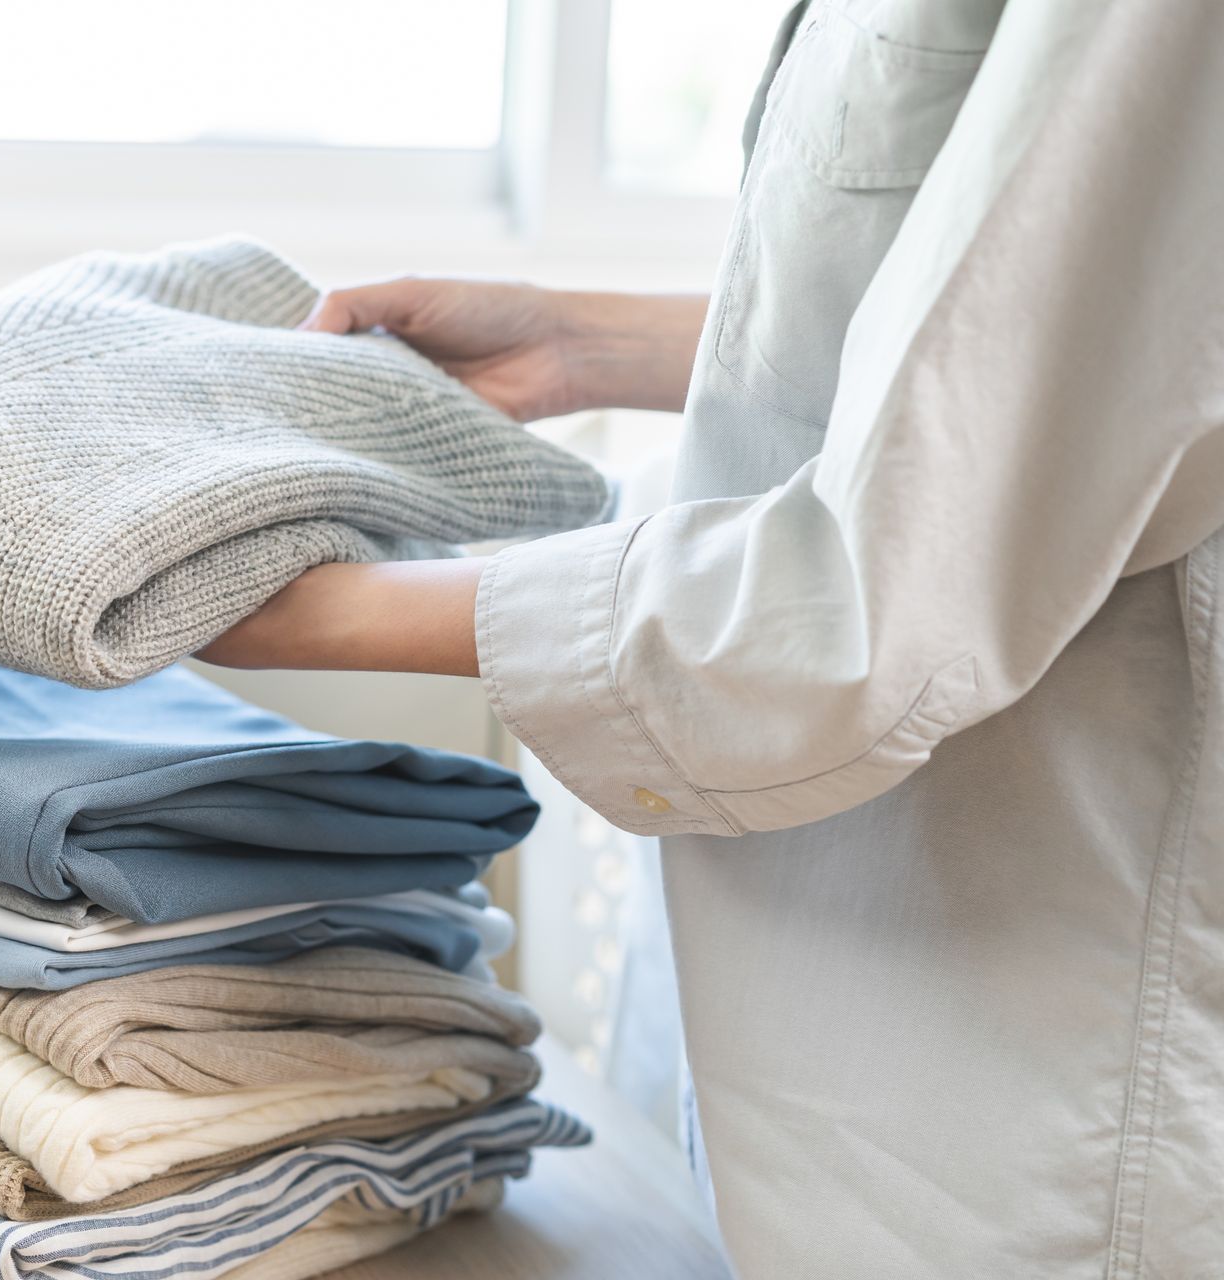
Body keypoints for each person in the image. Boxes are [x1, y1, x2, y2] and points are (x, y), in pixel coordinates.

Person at [199, 0, 1224, 1274]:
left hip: (1025, 1085)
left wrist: (325, 612)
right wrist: (586, 342)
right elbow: (1007, 327)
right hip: (807, 1010)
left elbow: (885, 579)